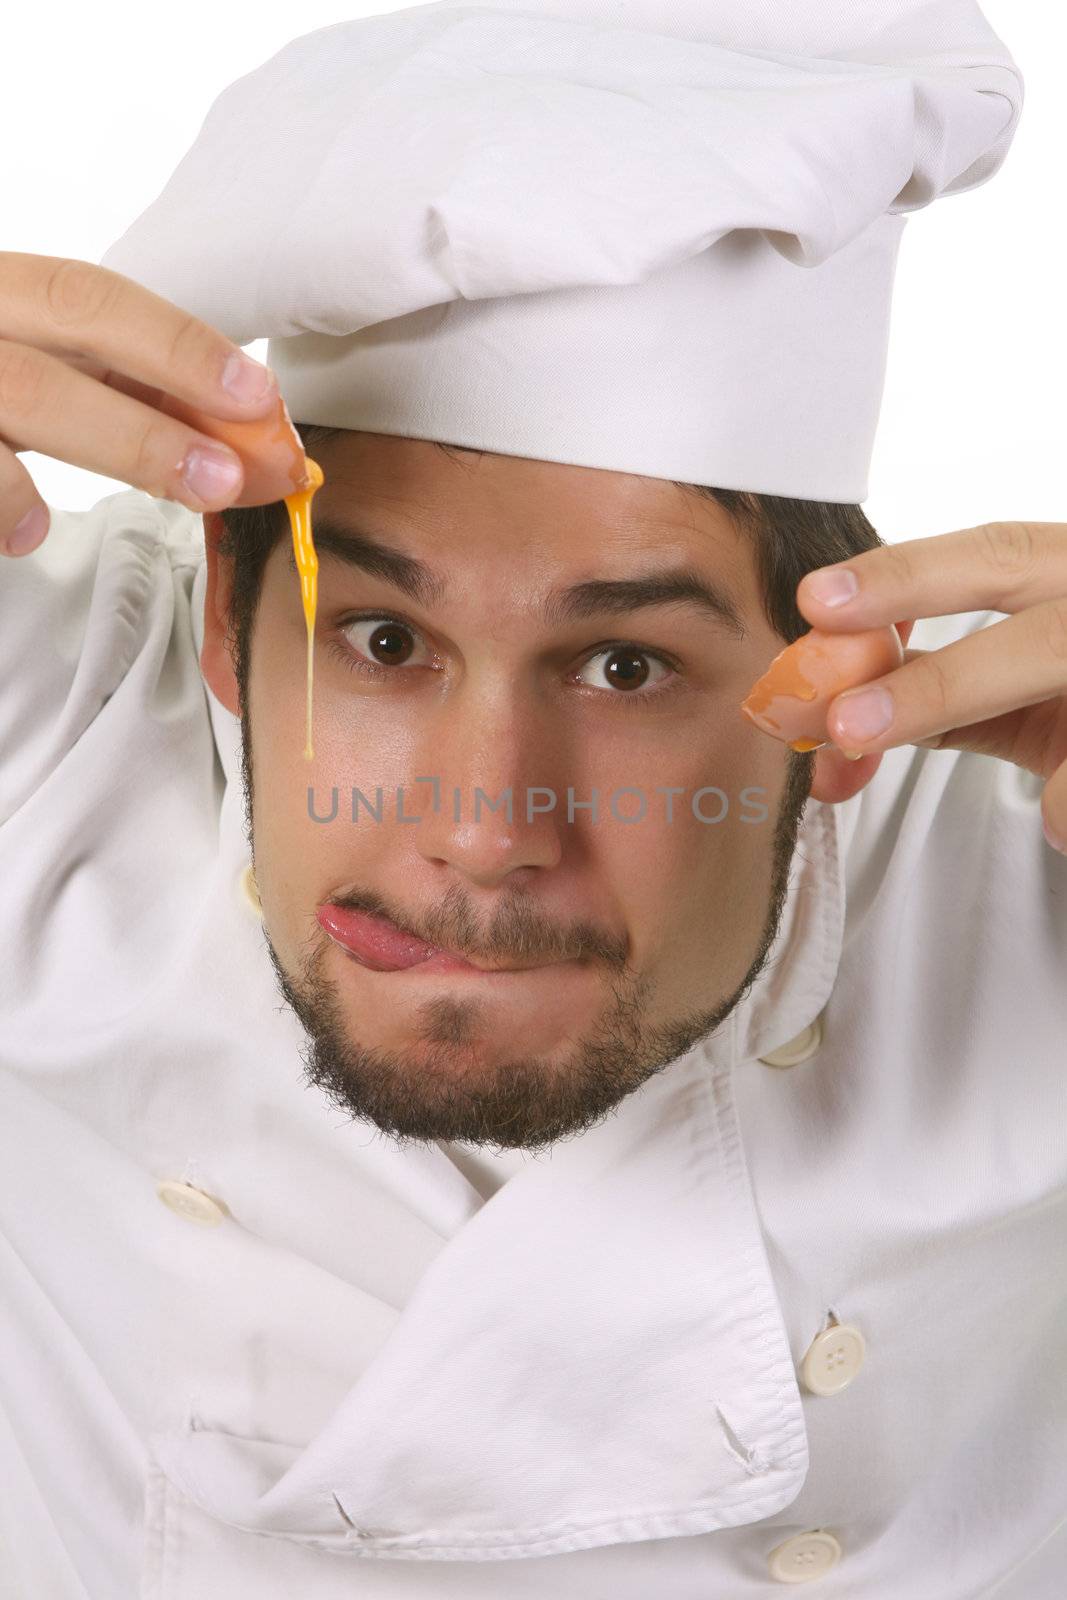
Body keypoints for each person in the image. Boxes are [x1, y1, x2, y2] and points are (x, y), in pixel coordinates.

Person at [1, 3, 1064, 1596]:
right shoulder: (60, 723)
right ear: (225, 629)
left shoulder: (1029, 859)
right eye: (381, 640)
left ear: (846, 695)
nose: (486, 829)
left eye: (625, 667)